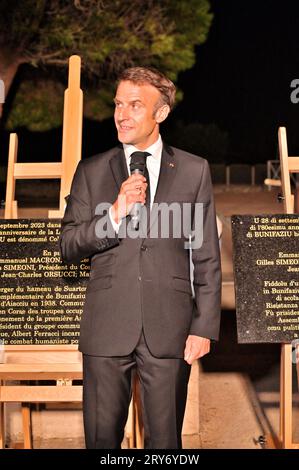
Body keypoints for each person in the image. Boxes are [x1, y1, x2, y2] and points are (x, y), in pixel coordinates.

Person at [59, 67, 221, 449]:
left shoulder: (195, 170)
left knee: (164, 444)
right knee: (101, 442)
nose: (121, 114)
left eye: (135, 105)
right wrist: (114, 213)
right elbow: (68, 246)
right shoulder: (91, 170)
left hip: (170, 330)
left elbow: (207, 256)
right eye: (118, 104)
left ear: (160, 113)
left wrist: (204, 325)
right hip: (106, 328)